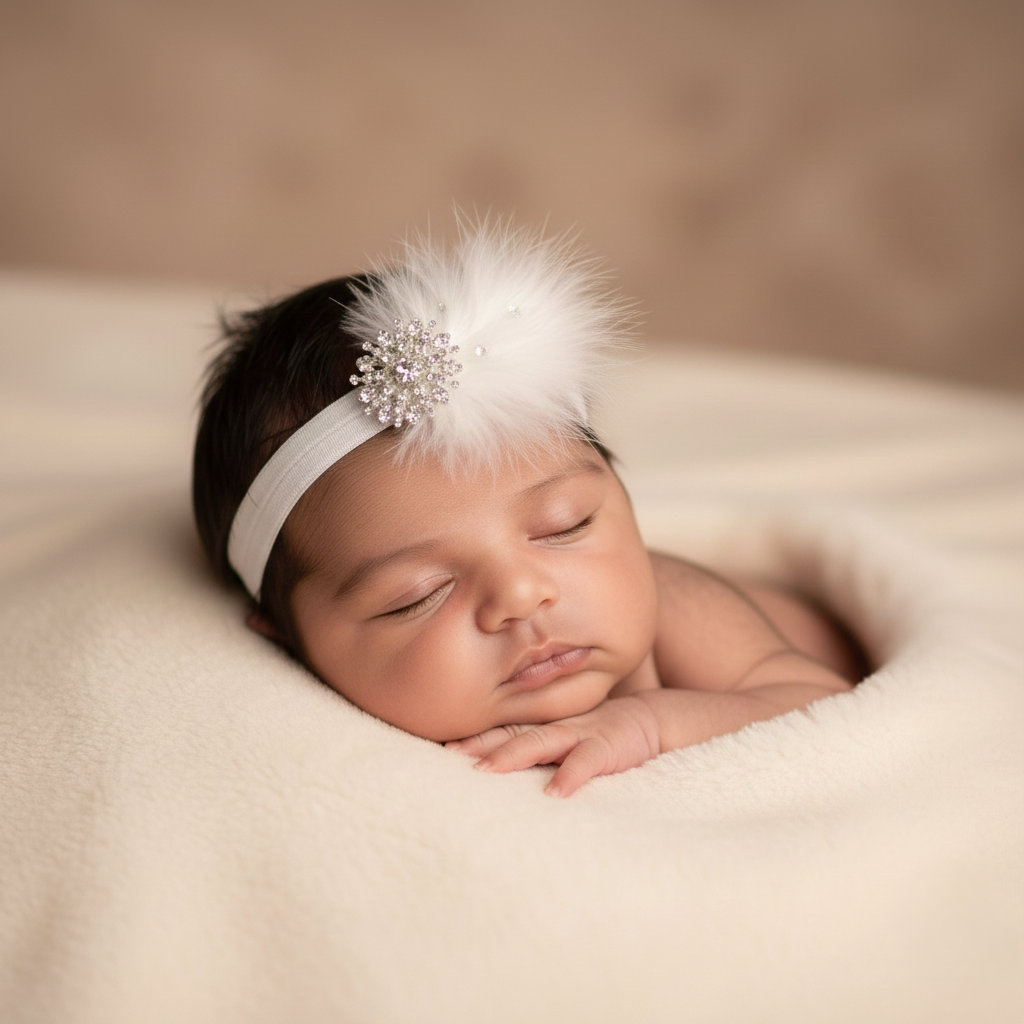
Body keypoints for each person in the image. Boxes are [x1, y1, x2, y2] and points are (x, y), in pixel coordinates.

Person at [193, 222, 861, 798]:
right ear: (287, 637)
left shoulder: (676, 604)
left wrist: (652, 723)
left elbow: (821, 707)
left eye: (566, 525)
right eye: (415, 596)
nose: (519, 595)